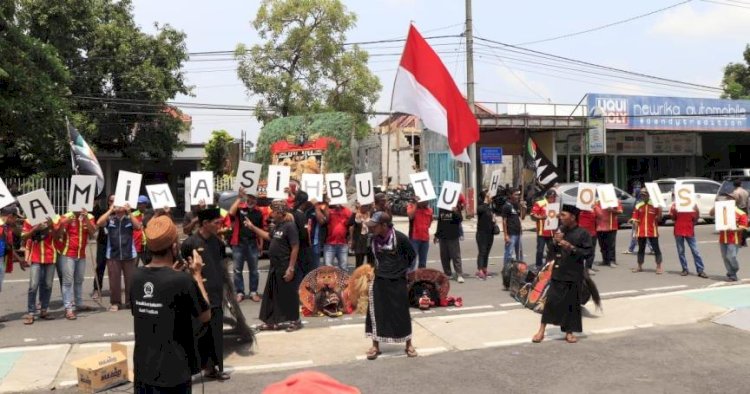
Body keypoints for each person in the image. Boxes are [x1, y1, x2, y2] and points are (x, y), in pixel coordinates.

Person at [130, 215, 211, 392]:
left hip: (143, 368)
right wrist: (196, 275)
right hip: (174, 371)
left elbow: (142, 311)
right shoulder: (182, 280)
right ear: (174, 247)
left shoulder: (135, 277)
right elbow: (205, 315)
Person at [531, 204, 592, 344]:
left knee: (571, 304)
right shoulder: (560, 231)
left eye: (564, 215)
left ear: (572, 217)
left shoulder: (583, 234)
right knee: (551, 302)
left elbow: (588, 254)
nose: (561, 218)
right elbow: (551, 252)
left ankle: (569, 332)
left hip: (573, 274)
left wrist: (570, 247)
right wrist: (554, 241)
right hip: (558, 272)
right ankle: (541, 330)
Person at [181, 208, 230, 381]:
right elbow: (183, 267)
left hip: (216, 295)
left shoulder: (219, 243)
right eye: (216, 223)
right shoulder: (190, 243)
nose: (219, 225)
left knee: (216, 333)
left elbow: (222, 267)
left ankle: (216, 367)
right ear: (205, 224)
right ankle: (192, 369)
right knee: (198, 333)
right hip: (198, 295)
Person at [364, 211, 417, 360]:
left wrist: (401, 270)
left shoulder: (400, 238)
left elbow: (412, 256)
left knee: (401, 312)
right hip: (379, 279)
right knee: (375, 312)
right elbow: (370, 259)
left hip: (397, 280)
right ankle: (375, 346)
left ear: (384, 225)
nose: (372, 229)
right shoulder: (372, 240)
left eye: (375, 226)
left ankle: (409, 345)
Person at [244, 201, 301, 331]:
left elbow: (295, 247)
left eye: (273, 211)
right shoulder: (278, 226)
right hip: (275, 266)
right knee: (272, 294)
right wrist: (252, 227)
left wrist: (291, 268)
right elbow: (268, 236)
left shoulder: (290, 226)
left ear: (280, 213)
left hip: (285, 264)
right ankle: (271, 321)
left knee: (288, 294)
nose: (271, 213)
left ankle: (295, 320)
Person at [97, 200, 141, 311]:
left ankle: (130, 302)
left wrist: (130, 212)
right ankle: (115, 302)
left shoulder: (129, 219)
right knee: (114, 281)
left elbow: (138, 226)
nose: (119, 206)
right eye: (117, 205)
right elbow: (99, 223)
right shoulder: (110, 219)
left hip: (129, 255)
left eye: (121, 205)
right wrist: (110, 210)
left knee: (130, 280)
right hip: (113, 255)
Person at [22, 215, 63, 324]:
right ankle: (31, 312)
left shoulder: (54, 219)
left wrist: (51, 226)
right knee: (33, 286)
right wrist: (34, 229)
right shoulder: (28, 220)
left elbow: (58, 237)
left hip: (51, 257)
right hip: (36, 257)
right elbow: (23, 237)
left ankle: (44, 310)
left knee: (48, 285)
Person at [58, 208, 97, 320]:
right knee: (67, 282)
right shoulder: (66, 216)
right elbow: (59, 234)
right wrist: (65, 223)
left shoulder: (89, 217)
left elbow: (93, 233)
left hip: (81, 254)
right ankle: (68, 308)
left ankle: (79, 303)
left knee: (79, 280)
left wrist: (86, 219)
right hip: (68, 253)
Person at [228, 187, 264, 303]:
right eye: (249, 197)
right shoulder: (240, 209)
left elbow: (261, 230)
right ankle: (240, 292)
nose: (250, 200)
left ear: (256, 200)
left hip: (253, 244)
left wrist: (261, 245)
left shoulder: (259, 213)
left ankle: (253, 292)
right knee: (237, 270)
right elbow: (230, 213)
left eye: (253, 198)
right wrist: (239, 197)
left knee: (254, 270)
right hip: (238, 243)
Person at [711, 193, 747, 282]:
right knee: (725, 257)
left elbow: (744, 226)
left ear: (734, 201)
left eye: (729, 198)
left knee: (731, 256)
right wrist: (715, 206)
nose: (727, 199)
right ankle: (732, 274)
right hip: (723, 237)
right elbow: (711, 214)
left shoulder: (740, 213)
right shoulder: (721, 209)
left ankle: (734, 269)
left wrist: (736, 229)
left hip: (734, 238)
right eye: (727, 198)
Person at [669, 197, 707, 278]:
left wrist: (691, 225)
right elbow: (673, 218)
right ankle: (685, 269)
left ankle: (700, 270)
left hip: (689, 231)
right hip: (678, 230)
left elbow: (696, 217)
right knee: (681, 251)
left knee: (695, 251)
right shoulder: (675, 205)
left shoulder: (693, 205)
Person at [630, 189, 663, 274]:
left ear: (648, 195)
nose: (643, 196)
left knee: (656, 249)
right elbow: (635, 220)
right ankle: (639, 266)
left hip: (653, 231)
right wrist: (635, 232)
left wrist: (660, 210)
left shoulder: (655, 205)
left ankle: (658, 267)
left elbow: (659, 219)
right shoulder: (638, 206)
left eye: (644, 195)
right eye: (642, 195)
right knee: (641, 249)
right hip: (641, 231)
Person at [1, 207, 28, 294]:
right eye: (15, 218)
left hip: (2, 259)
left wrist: (19, 259)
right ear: (10, 216)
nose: (16, 221)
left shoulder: (6, 227)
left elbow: (8, 246)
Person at [434, 205, 464, 283]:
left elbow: (460, 219)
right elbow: (439, 222)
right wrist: (436, 235)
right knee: (444, 256)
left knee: (455, 256)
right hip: (443, 236)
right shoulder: (442, 207)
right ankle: (447, 273)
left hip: (453, 236)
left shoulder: (455, 205)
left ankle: (459, 274)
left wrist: (455, 211)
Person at [291, 191, 315, 285]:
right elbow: (304, 235)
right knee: (304, 274)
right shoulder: (300, 216)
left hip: (293, 248)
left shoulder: (291, 213)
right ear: (304, 202)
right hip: (302, 249)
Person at [530, 189, 558, 269]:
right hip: (542, 231)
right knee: (540, 250)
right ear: (550, 196)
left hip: (551, 231)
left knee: (551, 249)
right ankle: (538, 265)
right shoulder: (540, 203)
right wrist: (541, 217)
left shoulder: (554, 204)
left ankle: (549, 264)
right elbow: (532, 215)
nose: (555, 198)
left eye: (555, 197)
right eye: (554, 197)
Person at [320, 202, 352, 271]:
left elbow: (351, 224)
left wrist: (351, 239)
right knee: (327, 268)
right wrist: (327, 202)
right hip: (329, 244)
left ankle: (342, 281)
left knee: (343, 268)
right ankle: (329, 282)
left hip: (343, 244)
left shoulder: (347, 211)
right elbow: (325, 219)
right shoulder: (328, 210)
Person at [92, 196, 111, 299]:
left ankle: (115, 289)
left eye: (115, 201)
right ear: (108, 202)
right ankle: (96, 289)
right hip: (103, 242)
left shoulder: (120, 212)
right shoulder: (104, 211)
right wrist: (95, 203)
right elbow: (95, 215)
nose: (113, 203)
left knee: (114, 268)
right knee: (100, 266)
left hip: (115, 245)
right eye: (111, 201)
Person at [594, 198, 622, 268]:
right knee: (602, 245)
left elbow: (620, 211)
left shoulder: (615, 201)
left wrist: (611, 210)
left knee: (611, 245)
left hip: (611, 226)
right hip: (599, 227)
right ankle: (605, 260)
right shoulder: (597, 202)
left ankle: (612, 261)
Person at [406, 197, 433, 270]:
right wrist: (416, 204)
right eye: (425, 200)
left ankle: (421, 278)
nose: (427, 202)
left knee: (423, 263)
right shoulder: (411, 206)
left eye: (427, 200)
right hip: (414, 239)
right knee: (412, 262)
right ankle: (410, 278)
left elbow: (429, 224)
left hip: (425, 239)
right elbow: (410, 216)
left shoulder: (429, 210)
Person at [501, 189, 525, 266]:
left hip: (518, 232)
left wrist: (524, 208)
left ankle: (520, 268)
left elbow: (522, 217)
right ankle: (506, 268)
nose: (517, 196)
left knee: (520, 252)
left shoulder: (517, 205)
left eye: (518, 195)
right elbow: (504, 221)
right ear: (510, 195)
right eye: (515, 194)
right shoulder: (506, 206)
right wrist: (505, 235)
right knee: (509, 252)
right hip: (511, 233)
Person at [475, 190, 495, 280]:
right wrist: (486, 201)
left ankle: (484, 269)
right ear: (485, 197)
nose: (491, 198)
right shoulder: (481, 207)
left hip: (490, 233)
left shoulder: (489, 207)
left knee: (487, 252)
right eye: (489, 196)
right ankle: (479, 271)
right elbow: (480, 210)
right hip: (482, 234)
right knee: (482, 252)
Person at [348, 203, 373, 268]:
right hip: (359, 239)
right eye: (363, 206)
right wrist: (351, 239)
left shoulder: (371, 214)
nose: (364, 207)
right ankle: (358, 276)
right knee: (359, 261)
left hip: (369, 239)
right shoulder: (355, 214)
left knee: (370, 261)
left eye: (366, 206)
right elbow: (350, 225)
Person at [132, 195, 153, 266]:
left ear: (146, 204)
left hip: (147, 244)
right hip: (136, 243)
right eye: (138, 204)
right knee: (134, 266)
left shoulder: (151, 214)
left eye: (141, 203)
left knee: (148, 265)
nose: (139, 205)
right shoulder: (133, 215)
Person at [577, 206, 598, 275]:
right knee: (581, 251)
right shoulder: (580, 212)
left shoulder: (593, 210)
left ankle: (588, 267)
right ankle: (583, 268)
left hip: (592, 233)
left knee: (591, 251)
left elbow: (597, 217)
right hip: (583, 234)